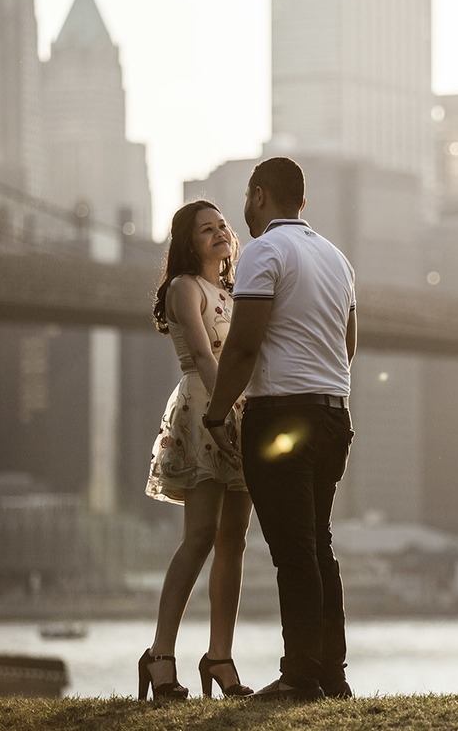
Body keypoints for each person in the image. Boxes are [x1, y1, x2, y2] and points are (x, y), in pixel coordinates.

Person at [203, 156, 357, 702]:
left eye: (247, 197)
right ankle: (330, 674)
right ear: (303, 202)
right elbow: (349, 345)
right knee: (318, 546)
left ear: (261, 196)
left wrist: (216, 413)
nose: (244, 208)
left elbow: (242, 346)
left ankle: (298, 677)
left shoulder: (264, 251)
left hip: (280, 417)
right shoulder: (337, 259)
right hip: (334, 415)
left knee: (293, 551)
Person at [139, 200, 255, 701]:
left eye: (222, 226)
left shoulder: (235, 291)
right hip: (206, 410)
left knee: (235, 540)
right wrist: (224, 410)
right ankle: (161, 656)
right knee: (201, 536)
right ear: (188, 242)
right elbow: (206, 354)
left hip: (241, 413)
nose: (219, 234)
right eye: (206, 229)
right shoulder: (184, 288)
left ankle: (219, 657)